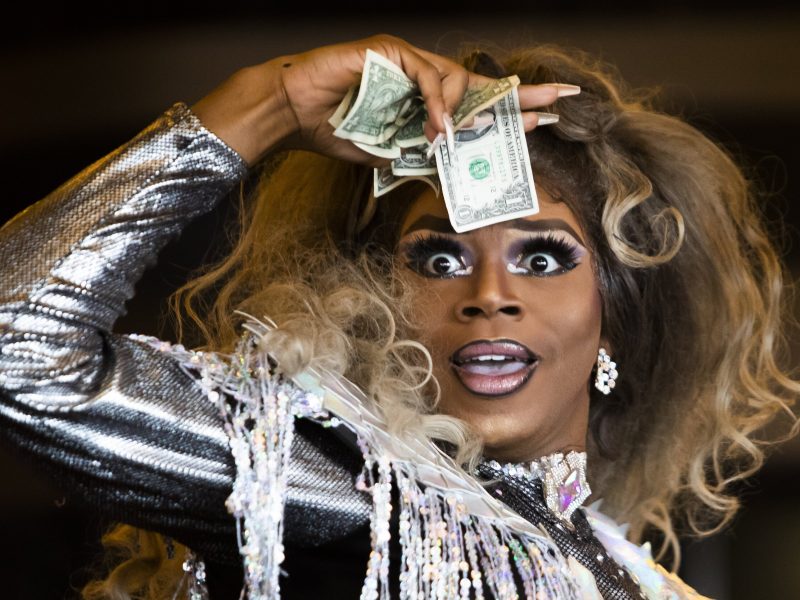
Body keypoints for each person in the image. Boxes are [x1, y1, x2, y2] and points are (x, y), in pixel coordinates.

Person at [0, 33, 797, 600]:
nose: (489, 293)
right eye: (439, 258)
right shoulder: (334, 487)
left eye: (544, 258)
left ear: (615, 318)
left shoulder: (642, 579)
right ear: (377, 299)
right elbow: (17, 347)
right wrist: (266, 101)